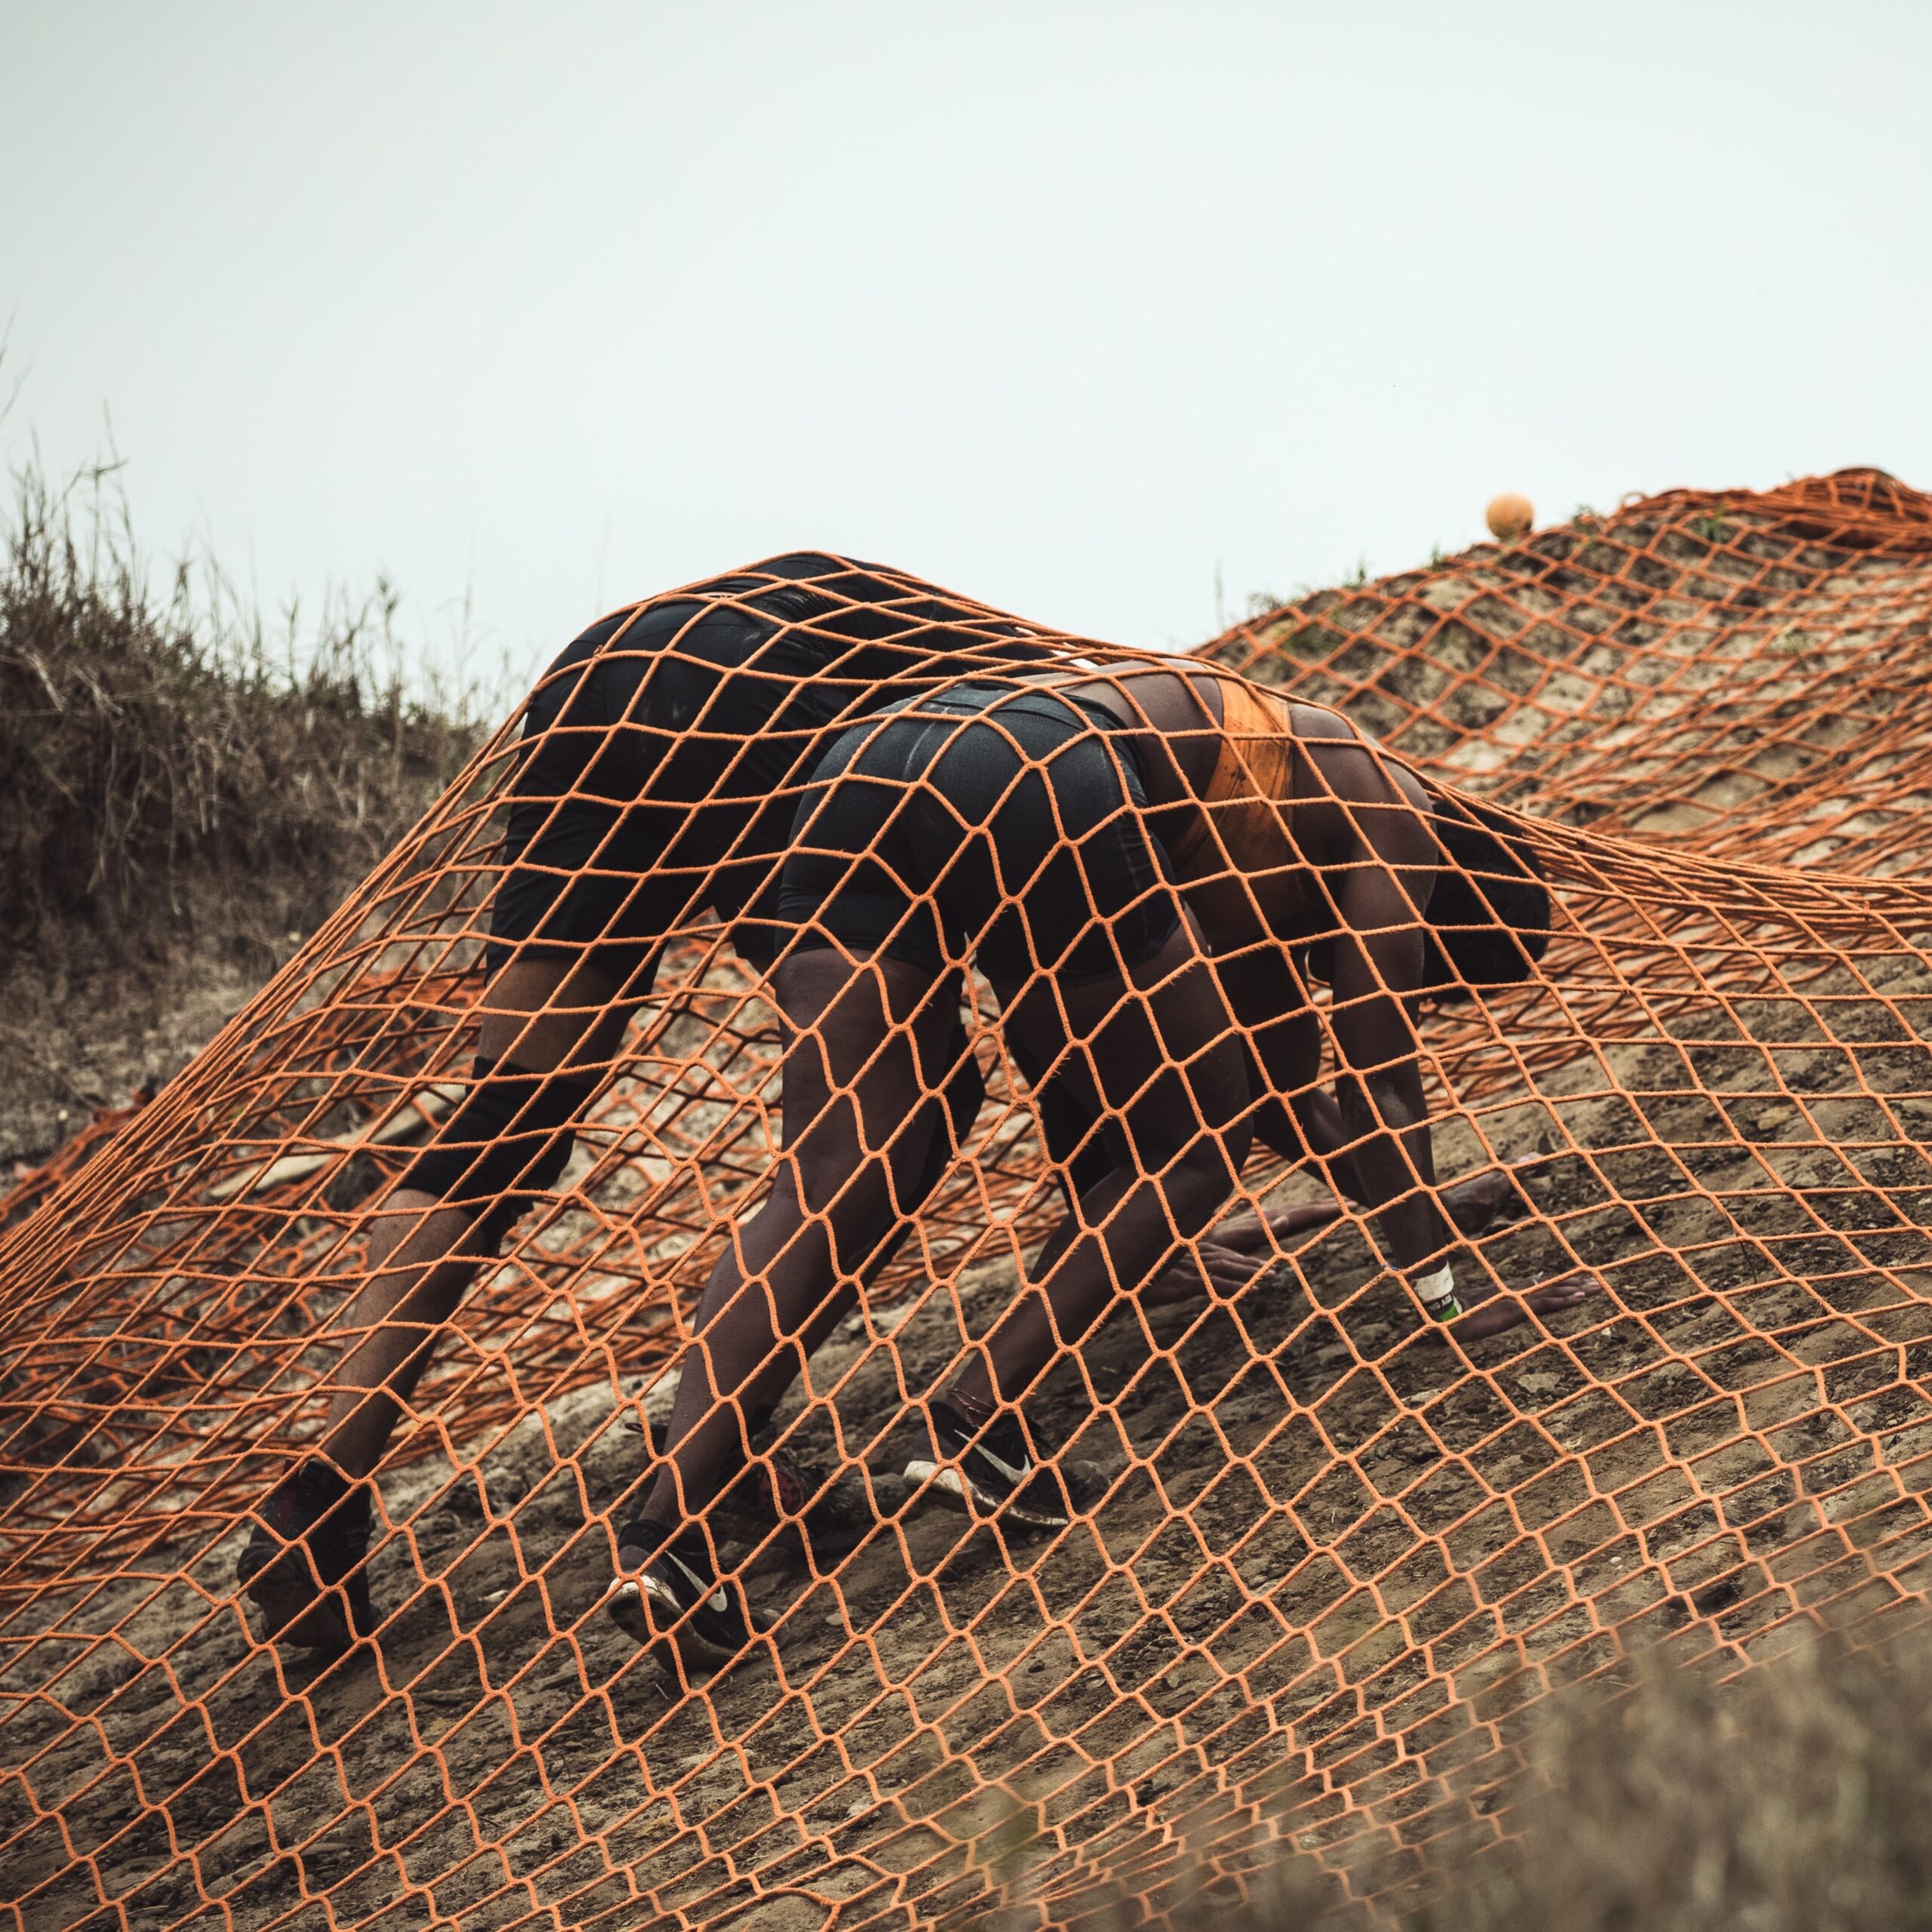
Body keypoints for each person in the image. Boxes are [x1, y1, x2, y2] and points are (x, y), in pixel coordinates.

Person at [606, 663, 1598, 1668]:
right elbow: (1381, 1071)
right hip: (1035, 772)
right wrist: (1440, 1293)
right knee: (1196, 1147)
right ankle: (973, 1421)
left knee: (829, 1179)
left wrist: (1420, 1202)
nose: (1425, 996)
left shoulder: (1278, 819)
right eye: (1440, 978)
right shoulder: (1397, 822)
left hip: (865, 771)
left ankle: (665, 1541)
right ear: (1448, 917)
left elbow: (1288, 1095)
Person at [236, 553, 1141, 1653]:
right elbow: (1052, 980)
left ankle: (320, 1503)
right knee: (896, 1108)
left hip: (606, 677)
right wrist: (1122, 1201)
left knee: (510, 1113)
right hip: (755, 698)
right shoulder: (1076, 738)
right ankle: (696, 1494)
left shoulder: (993, 662)